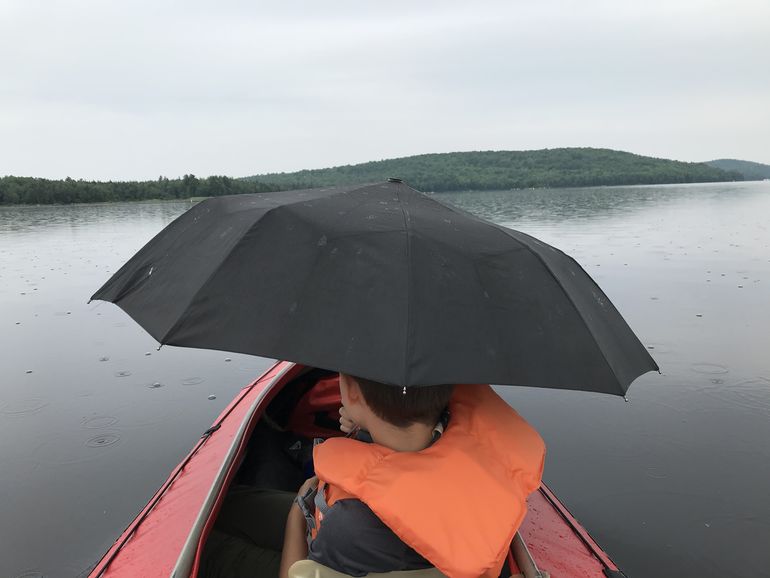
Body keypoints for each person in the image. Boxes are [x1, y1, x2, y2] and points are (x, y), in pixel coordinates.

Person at [279, 373, 546, 578]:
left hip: (333, 541)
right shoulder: (488, 457)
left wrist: (298, 510)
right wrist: (366, 422)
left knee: (237, 522)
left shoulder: (348, 524)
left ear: (350, 390)